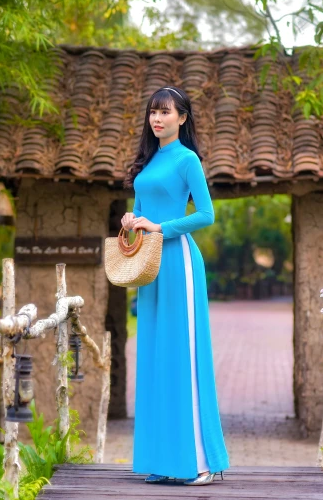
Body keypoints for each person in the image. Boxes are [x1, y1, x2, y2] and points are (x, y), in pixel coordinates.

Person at [121, 85, 229, 486]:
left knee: (182, 358)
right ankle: (165, 461)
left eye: (165, 112)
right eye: (153, 112)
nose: (157, 118)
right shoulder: (149, 163)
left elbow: (205, 215)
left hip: (178, 262)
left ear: (182, 118)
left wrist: (160, 227)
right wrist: (133, 219)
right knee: (154, 357)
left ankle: (199, 463)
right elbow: (145, 212)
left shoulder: (187, 160)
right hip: (149, 266)